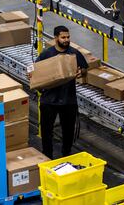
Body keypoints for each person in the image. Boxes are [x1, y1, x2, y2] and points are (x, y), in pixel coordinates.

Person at [35, 26, 88, 159]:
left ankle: (66, 154)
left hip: (68, 99)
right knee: (47, 131)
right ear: (56, 38)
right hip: (49, 100)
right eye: (63, 37)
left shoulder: (74, 53)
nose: (66, 40)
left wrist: (82, 72)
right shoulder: (46, 55)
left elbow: (85, 69)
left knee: (68, 131)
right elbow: (36, 72)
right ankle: (48, 156)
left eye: (68, 37)